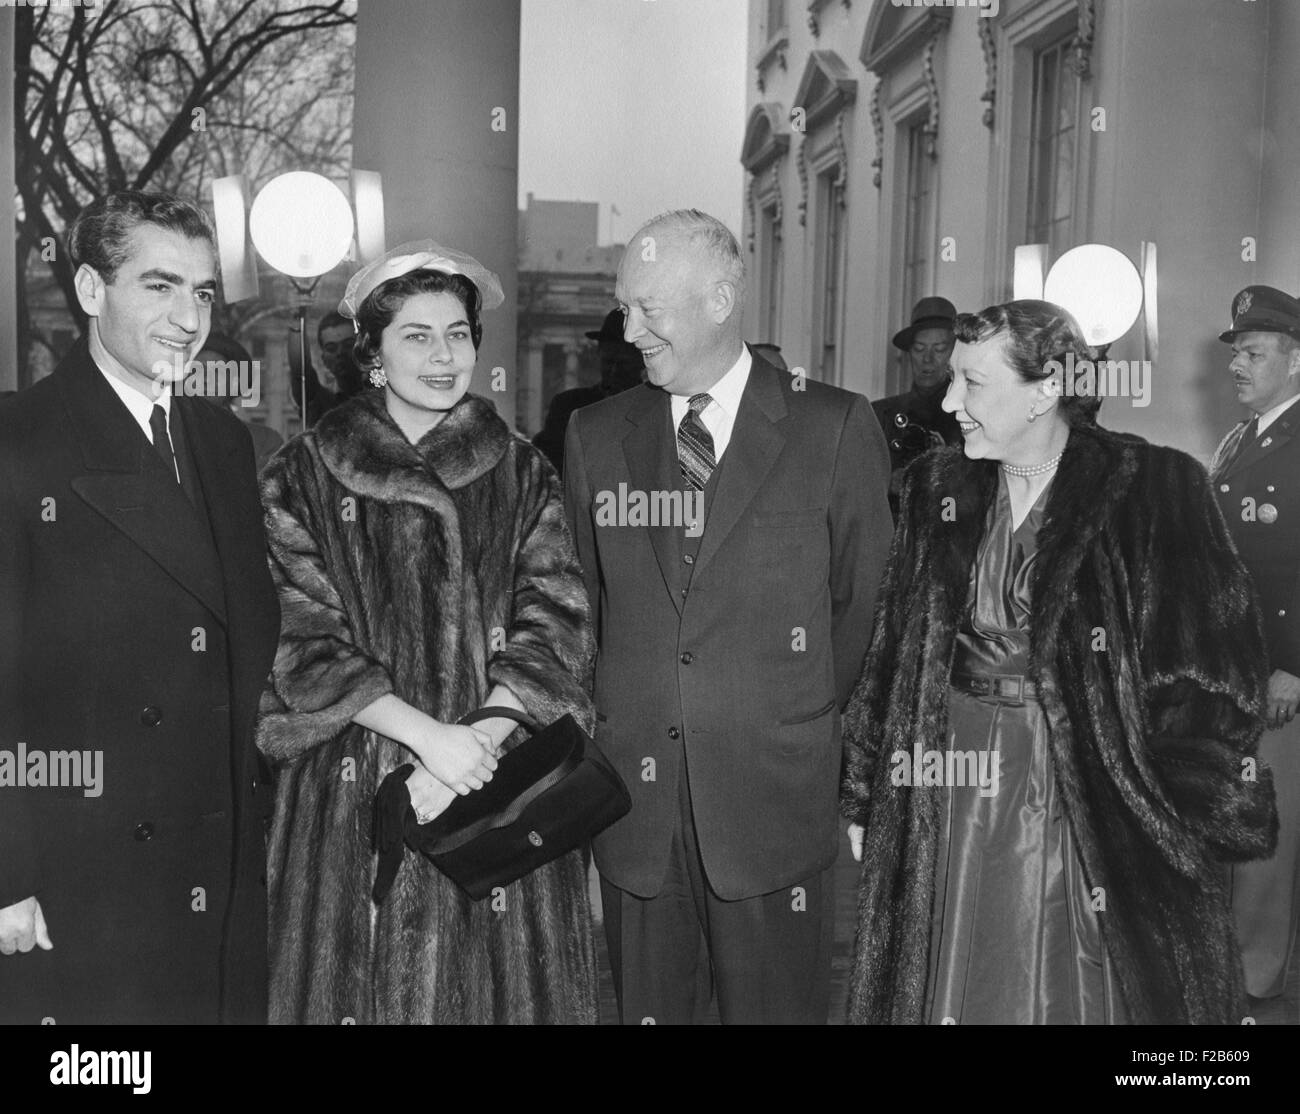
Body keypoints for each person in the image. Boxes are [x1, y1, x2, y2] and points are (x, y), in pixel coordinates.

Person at [841, 299, 1278, 1024]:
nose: (950, 404)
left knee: (1084, 976)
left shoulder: (1154, 487)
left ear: (1047, 388)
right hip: (945, 782)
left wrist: (1186, 815)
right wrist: (865, 788)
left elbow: (1211, 670)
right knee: (943, 966)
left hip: (1091, 785)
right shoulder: (932, 488)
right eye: (950, 380)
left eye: (973, 384)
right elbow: (896, 647)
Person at [563, 209, 892, 1024]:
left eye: (648, 307)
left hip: (771, 804)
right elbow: (582, 605)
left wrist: (784, 714)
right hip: (634, 813)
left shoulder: (834, 426)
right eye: (624, 307)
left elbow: (863, 608)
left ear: (719, 299)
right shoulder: (595, 435)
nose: (628, 329)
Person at [256, 240, 597, 1024]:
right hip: (350, 783)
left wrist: (474, 741)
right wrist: (424, 739)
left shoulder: (523, 470)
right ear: (371, 353)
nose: (444, 356)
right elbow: (299, 639)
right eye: (416, 335)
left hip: (498, 785)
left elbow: (560, 619)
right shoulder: (300, 475)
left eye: (458, 333)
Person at [0, 190, 280, 1023]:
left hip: (218, 860)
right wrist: (8, 877)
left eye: (201, 293)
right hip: (80, 873)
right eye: (159, 286)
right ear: (91, 291)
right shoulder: (20, 442)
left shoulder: (226, 442)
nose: (188, 318)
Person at [1212, 285, 1300, 1003]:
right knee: (1235, 813)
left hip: (1278, 670)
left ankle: (1255, 974)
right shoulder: (1242, 439)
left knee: (1269, 826)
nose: (1237, 363)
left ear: (1295, 361)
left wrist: (1293, 665)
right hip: (1234, 666)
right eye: (1236, 351)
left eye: (1253, 351)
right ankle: (1226, 960)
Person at [872, 296, 963, 515]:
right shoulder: (880, 414)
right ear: (909, 353)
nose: (927, 359)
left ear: (955, 353)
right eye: (920, 349)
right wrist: (886, 482)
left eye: (939, 349)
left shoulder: (970, 417)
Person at [532, 308, 644, 476]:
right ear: (598, 354)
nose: (613, 372)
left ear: (642, 360)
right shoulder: (567, 406)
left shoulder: (662, 410)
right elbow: (549, 468)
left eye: (623, 364)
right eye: (608, 362)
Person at [196, 331, 284, 473]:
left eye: (215, 371)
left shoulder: (263, 442)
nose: (205, 379)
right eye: (196, 371)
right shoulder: (170, 437)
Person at [287, 309, 369, 426]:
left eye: (348, 344)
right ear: (324, 359)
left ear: (362, 349)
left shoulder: (384, 395)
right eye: (331, 348)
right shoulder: (318, 402)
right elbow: (299, 370)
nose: (340, 353)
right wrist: (296, 316)